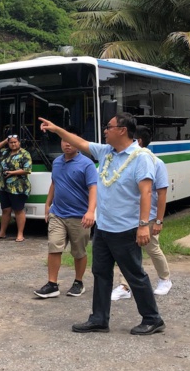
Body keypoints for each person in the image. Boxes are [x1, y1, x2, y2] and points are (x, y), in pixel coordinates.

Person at [38, 113, 166, 335]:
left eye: (109, 127)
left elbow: (146, 191)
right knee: (101, 273)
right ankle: (99, 318)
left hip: (125, 229)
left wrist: (144, 224)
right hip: (104, 228)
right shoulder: (107, 153)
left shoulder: (140, 157)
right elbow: (80, 143)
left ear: (122, 130)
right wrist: (56, 129)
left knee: (135, 274)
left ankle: (152, 318)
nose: (105, 130)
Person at [34, 126, 98, 299]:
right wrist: (48, 204)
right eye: (64, 141)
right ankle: (52, 284)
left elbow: (93, 188)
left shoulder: (87, 164)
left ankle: (78, 282)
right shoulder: (57, 162)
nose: (67, 144)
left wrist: (91, 211)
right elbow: (54, 183)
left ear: (78, 143)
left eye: (71, 141)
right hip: (58, 214)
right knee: (54, 246)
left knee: (79, 251)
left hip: (79, 216)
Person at [112, 125, 173, 300]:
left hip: (150, 216)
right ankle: (125, 286)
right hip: (128, 215)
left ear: (138, 141)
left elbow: (161, 194)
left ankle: (165, 279)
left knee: (152, 248)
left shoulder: (156, 162)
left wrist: (159, 221)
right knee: (126, 251)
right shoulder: (126, 161)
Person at [0, 133, 32, 242]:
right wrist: (5, 140)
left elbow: (27, 170)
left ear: (19, 142)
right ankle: (2, 233)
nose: (13, 144)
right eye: (11, 142)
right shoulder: (5, 152)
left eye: (15, 142)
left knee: (18, 210)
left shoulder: (24, 154)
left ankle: (20, 234)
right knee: (5, 210)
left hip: (18, 187)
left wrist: (12, 173)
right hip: (3, 186)